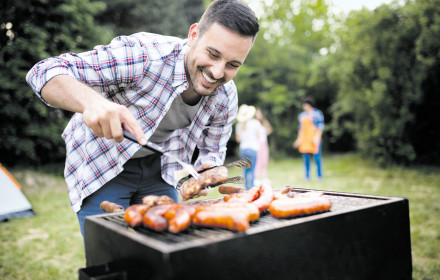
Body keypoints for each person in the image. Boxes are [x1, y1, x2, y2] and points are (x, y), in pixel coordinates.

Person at [26, 0, 259, 239]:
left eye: (232, 65)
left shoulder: (226, 96)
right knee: (110, 256)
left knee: (166, 248)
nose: (218, 73)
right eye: (212, 54)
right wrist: (92, 102)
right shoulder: (144, 54)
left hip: (161, 170)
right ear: (193, 34)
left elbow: (213, 150)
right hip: (104, 164)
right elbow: (43, 71)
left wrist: (205, 170)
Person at [292, 97, 324, 180]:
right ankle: (307, 176)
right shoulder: (302, 115)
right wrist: (298, 140)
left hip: (314, 139)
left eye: (305, 104)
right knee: (306, 159)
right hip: (305, 139)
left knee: (317, 158)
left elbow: (320, 127)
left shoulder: (317, 114)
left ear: (309, 105)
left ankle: (319, 176)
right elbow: (301, 129)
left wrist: (317, 138)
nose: (304, 106)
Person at [235, 104, 262, 189]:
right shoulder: (255, 123)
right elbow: (259, 135)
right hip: (253, 148)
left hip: (244, 149)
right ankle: (252, 187)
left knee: (245, 170)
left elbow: (238, 139)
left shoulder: (238, 125)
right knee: (252, 170)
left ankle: (246, 187)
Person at [254, 108, 272, 186]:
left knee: (264, 160)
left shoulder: (264, 122)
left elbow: (269, 129)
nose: (259, 115)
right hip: (257, 144)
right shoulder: (254, 123)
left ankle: (264, 177)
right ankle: (257, 178)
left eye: (260, 113)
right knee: (258, 161)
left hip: (264, 143)